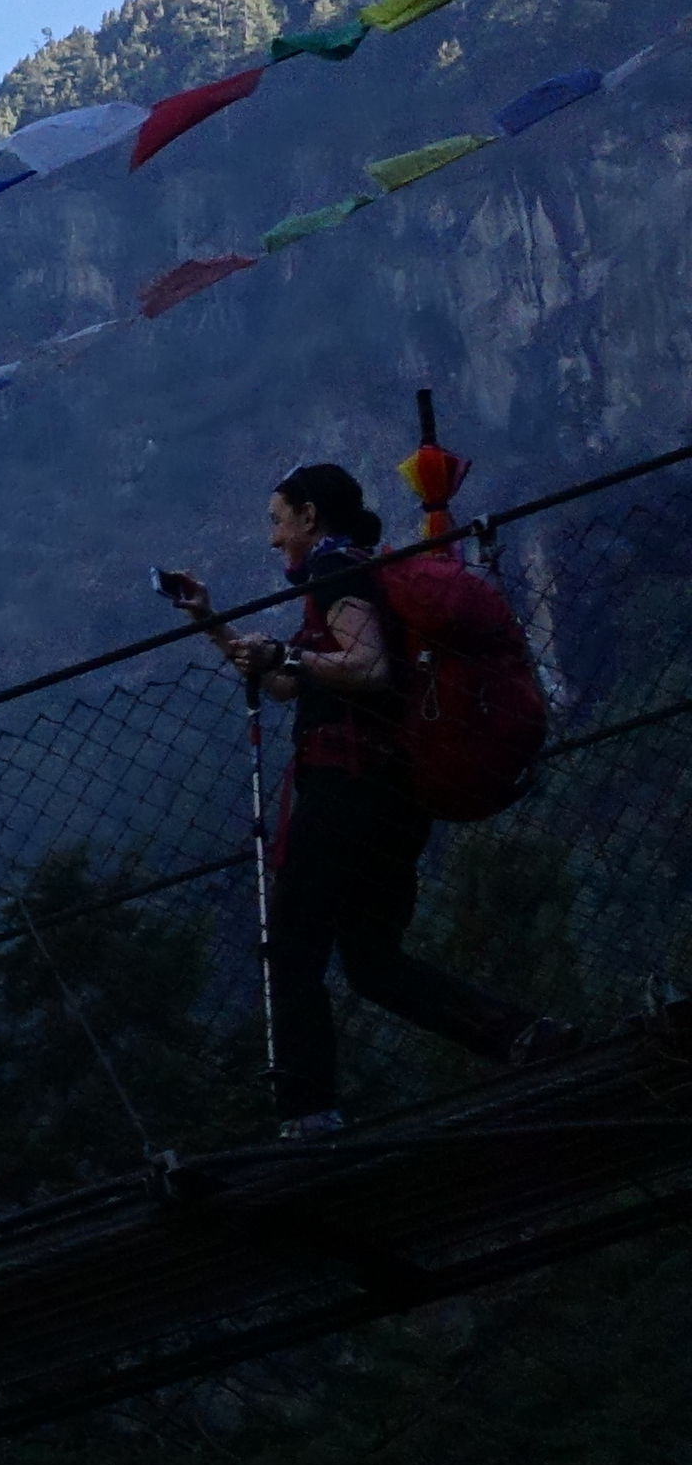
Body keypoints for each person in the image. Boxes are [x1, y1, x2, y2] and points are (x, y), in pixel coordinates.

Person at [187, 460, 558, 1137]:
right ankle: (521, 1034)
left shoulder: (334, 570)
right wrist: (213, 625)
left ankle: (309, 1114)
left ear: (308, 516)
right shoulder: (357, 569)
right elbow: (286, 686)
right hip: (395, 794)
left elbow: (366, 666)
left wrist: (288, 658)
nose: (274, 539)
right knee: (372, 962)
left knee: (294, 944)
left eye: (278, 520)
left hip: (344, 791)